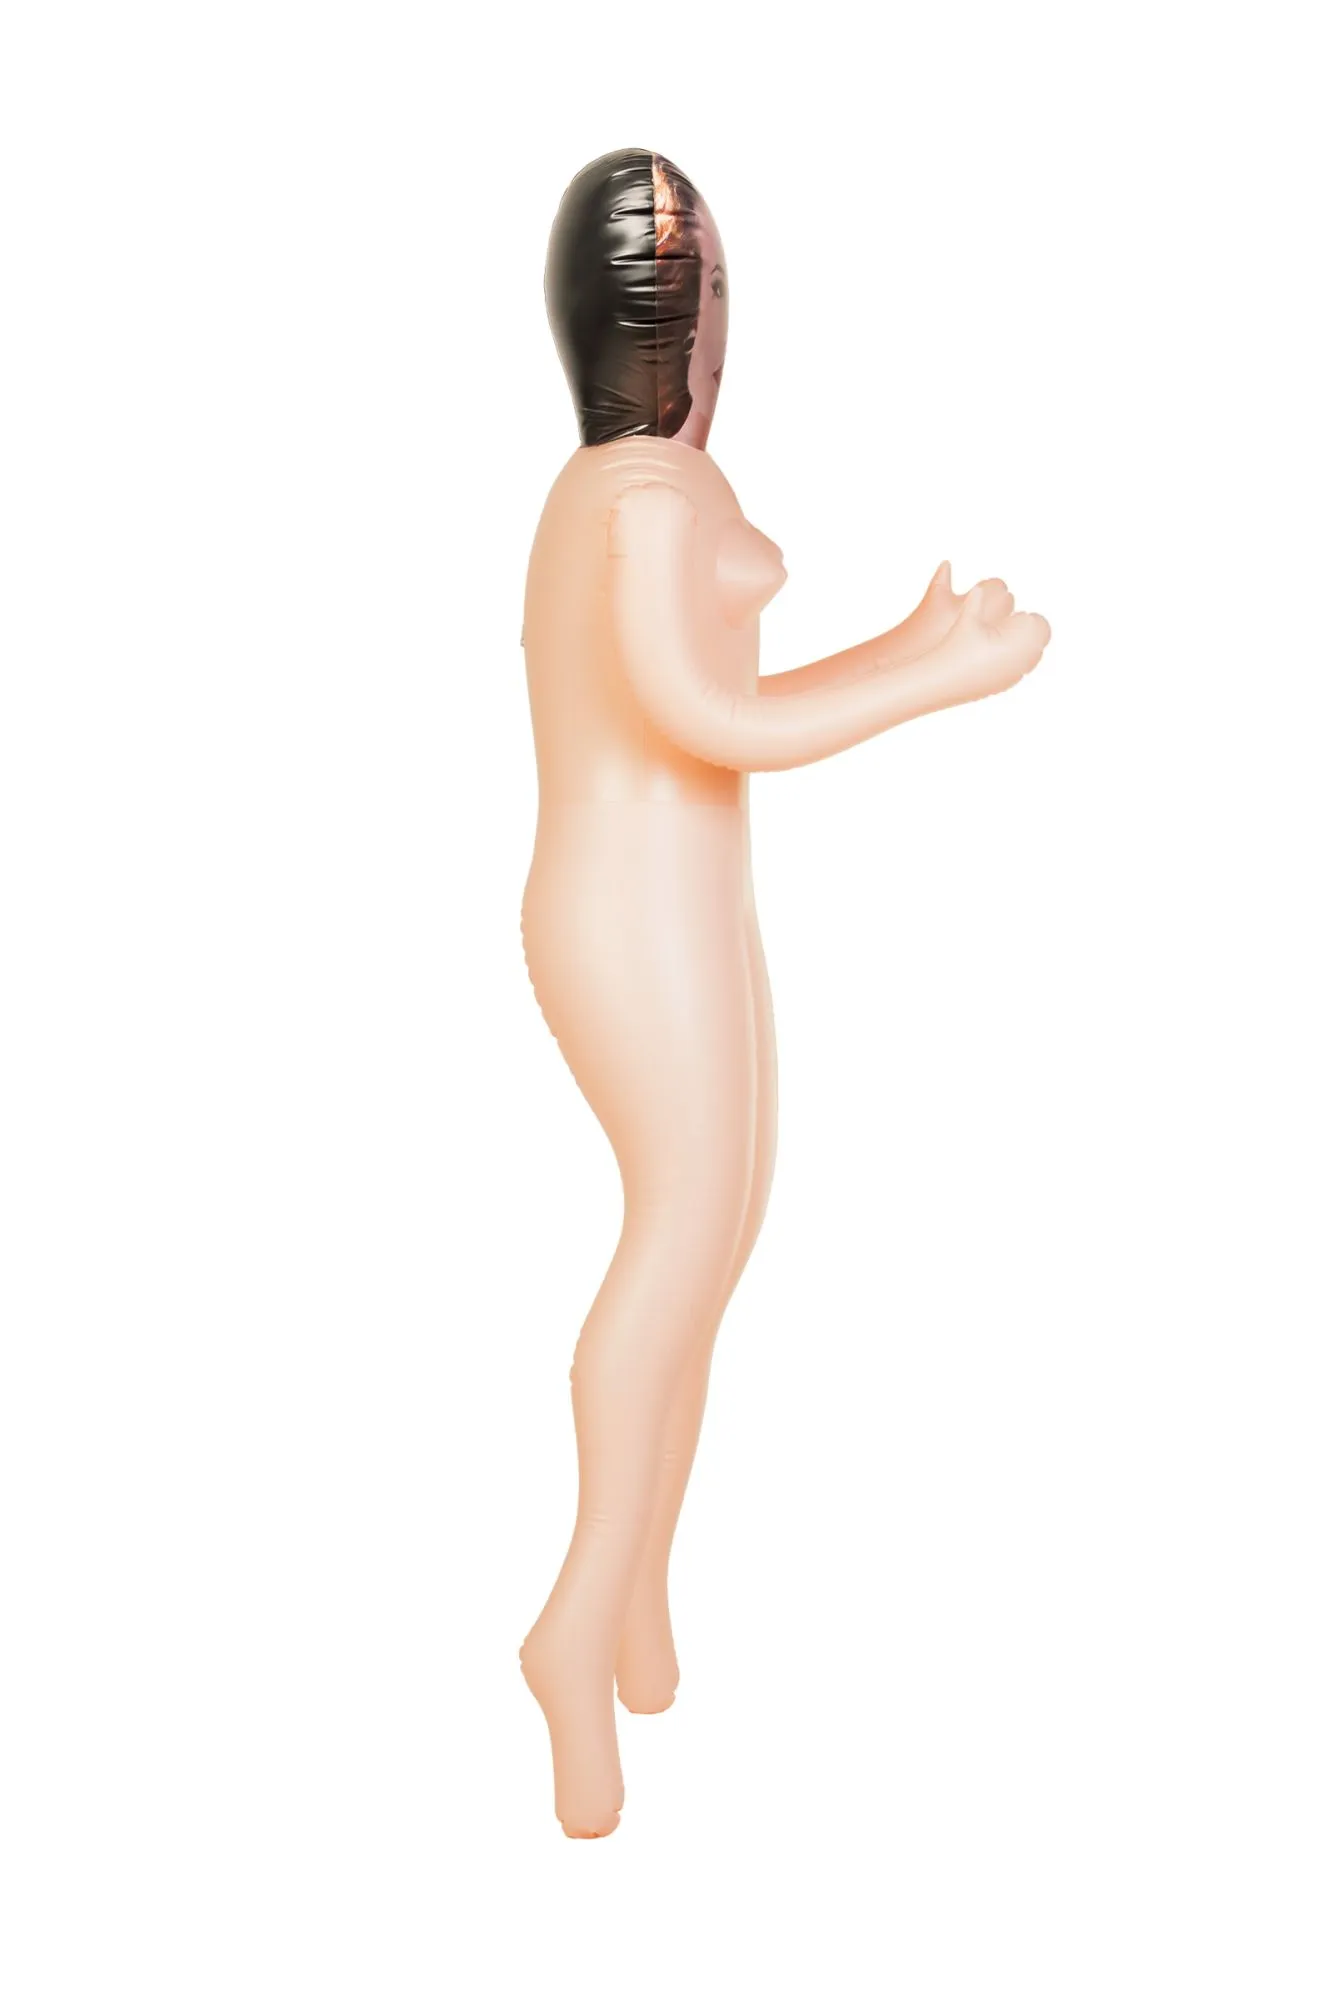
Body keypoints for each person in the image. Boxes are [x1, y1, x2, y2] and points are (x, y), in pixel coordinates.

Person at [519, 148, 1050, 1837]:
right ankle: (572, 1625)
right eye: (709, 291)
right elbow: (708, 719)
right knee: (679, 1242)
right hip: (630, 917)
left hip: (687, 903)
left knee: (719, 1238)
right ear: (665, 319)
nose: (723, 323)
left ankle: (639, 1610)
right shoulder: (642, 501)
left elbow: (716, 703)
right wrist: (934, 690)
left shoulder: (645, 486)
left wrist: (904, 645)